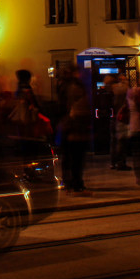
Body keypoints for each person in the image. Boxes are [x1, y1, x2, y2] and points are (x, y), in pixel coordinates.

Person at [57, 66, 91, 195]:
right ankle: (75, 185)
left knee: (71, 158)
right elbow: (77, 107)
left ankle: (71, 184)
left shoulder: (66, 86)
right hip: (74, 128)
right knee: (75, 158)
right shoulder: (75, 87)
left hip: (69, 127)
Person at [109, 74, 129, 170]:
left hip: (114, 117)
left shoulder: (112, 89)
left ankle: (113, 162)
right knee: (121, 141)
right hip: (120, 117)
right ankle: (121, 162)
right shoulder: (123, 90)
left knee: (114, 141)